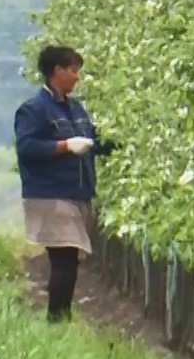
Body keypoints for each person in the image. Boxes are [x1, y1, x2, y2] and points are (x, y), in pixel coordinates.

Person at [13, 45, 118, 322]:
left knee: (68, 259)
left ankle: (60, 318)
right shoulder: (34, 110)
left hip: (77, 194)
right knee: (64, 258)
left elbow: (93, 141)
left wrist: (116, 143)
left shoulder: (76, 109)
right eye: (73, 71)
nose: (77, 77)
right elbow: (27, 148)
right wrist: (65, 146)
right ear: (56, 71)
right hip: (50, 195)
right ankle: (58, 319)